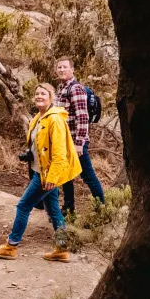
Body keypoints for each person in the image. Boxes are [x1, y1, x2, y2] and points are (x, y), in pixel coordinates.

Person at [0, 83, 82, 262]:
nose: (39, 96)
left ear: (51, 97)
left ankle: (11, 246)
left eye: (43, 94)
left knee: (23, 206)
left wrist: (52, 178)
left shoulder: (55, 120)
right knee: (54, 211)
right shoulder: (39, 118)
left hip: (47, 175)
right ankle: (62, 249)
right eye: (37, 93)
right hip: (41, 171)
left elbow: (60, 153)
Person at [54, 57, 106, 215]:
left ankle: (102, 209)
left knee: (87, 175)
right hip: (64, 141)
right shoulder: (61, 88)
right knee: (66, 175)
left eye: (65, 67)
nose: (61, 70)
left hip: (76, 141)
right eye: (59, 67)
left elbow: (82, 117)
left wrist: (79, 143)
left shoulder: (75, 89)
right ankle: (68, 208)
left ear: (72, 69)